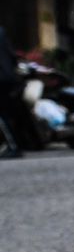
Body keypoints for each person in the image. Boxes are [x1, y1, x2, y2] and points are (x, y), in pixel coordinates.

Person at [0, 27, 22, 158]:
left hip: (1, 78)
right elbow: (12, 55)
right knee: (9, 113)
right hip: (9, 77)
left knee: (3, 114)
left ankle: (14, 146)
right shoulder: (2, 32)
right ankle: (16, 144)